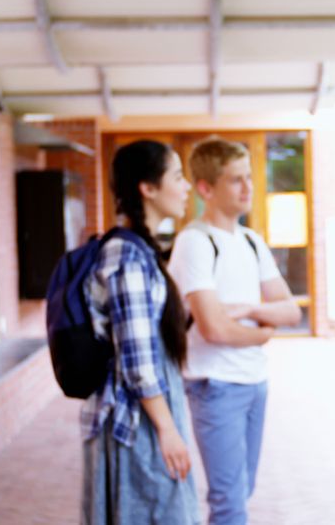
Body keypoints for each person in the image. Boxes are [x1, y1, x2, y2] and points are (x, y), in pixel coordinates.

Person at [167, 138, 301, 525]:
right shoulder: (195, 242)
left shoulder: (250, 241)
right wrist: (261, 333)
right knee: (229, 503)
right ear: (206, 188)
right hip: (216, 384)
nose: (248, 188)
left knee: (243, 492)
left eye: (249, 178)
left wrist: (253, 310)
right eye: (236, 180)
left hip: (254, 381)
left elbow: (290, 310)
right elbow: (213, 328)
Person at [81, 139, 199, 524]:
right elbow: (136, 360)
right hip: (136, 424)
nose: (186, 187)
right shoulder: (127, 255)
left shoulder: (141, 251)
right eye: (178, 177)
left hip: (144, 414)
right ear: (147, 188)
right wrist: (167, 429)